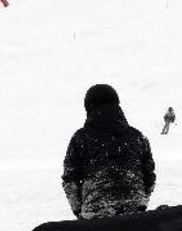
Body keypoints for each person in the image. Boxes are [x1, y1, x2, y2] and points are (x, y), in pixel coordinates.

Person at [62, 84, 156, 219]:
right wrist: (141, 203)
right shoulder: (137, 136)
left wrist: (79, 211)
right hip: (134, 211)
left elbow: (70, 179)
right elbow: (149, 175)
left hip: (96, 212)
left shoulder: (81, 138)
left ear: (88, 107)